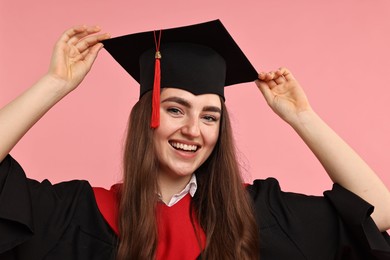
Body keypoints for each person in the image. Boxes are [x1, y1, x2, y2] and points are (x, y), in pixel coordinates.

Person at [0, 20, 389, 260]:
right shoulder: (80, 214)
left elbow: (379, 211)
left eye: (209, 116)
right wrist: (54, 85)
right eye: (175, 109)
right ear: (145, 118)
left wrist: (302, 118)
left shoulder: (253, 216)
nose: (193, 129)